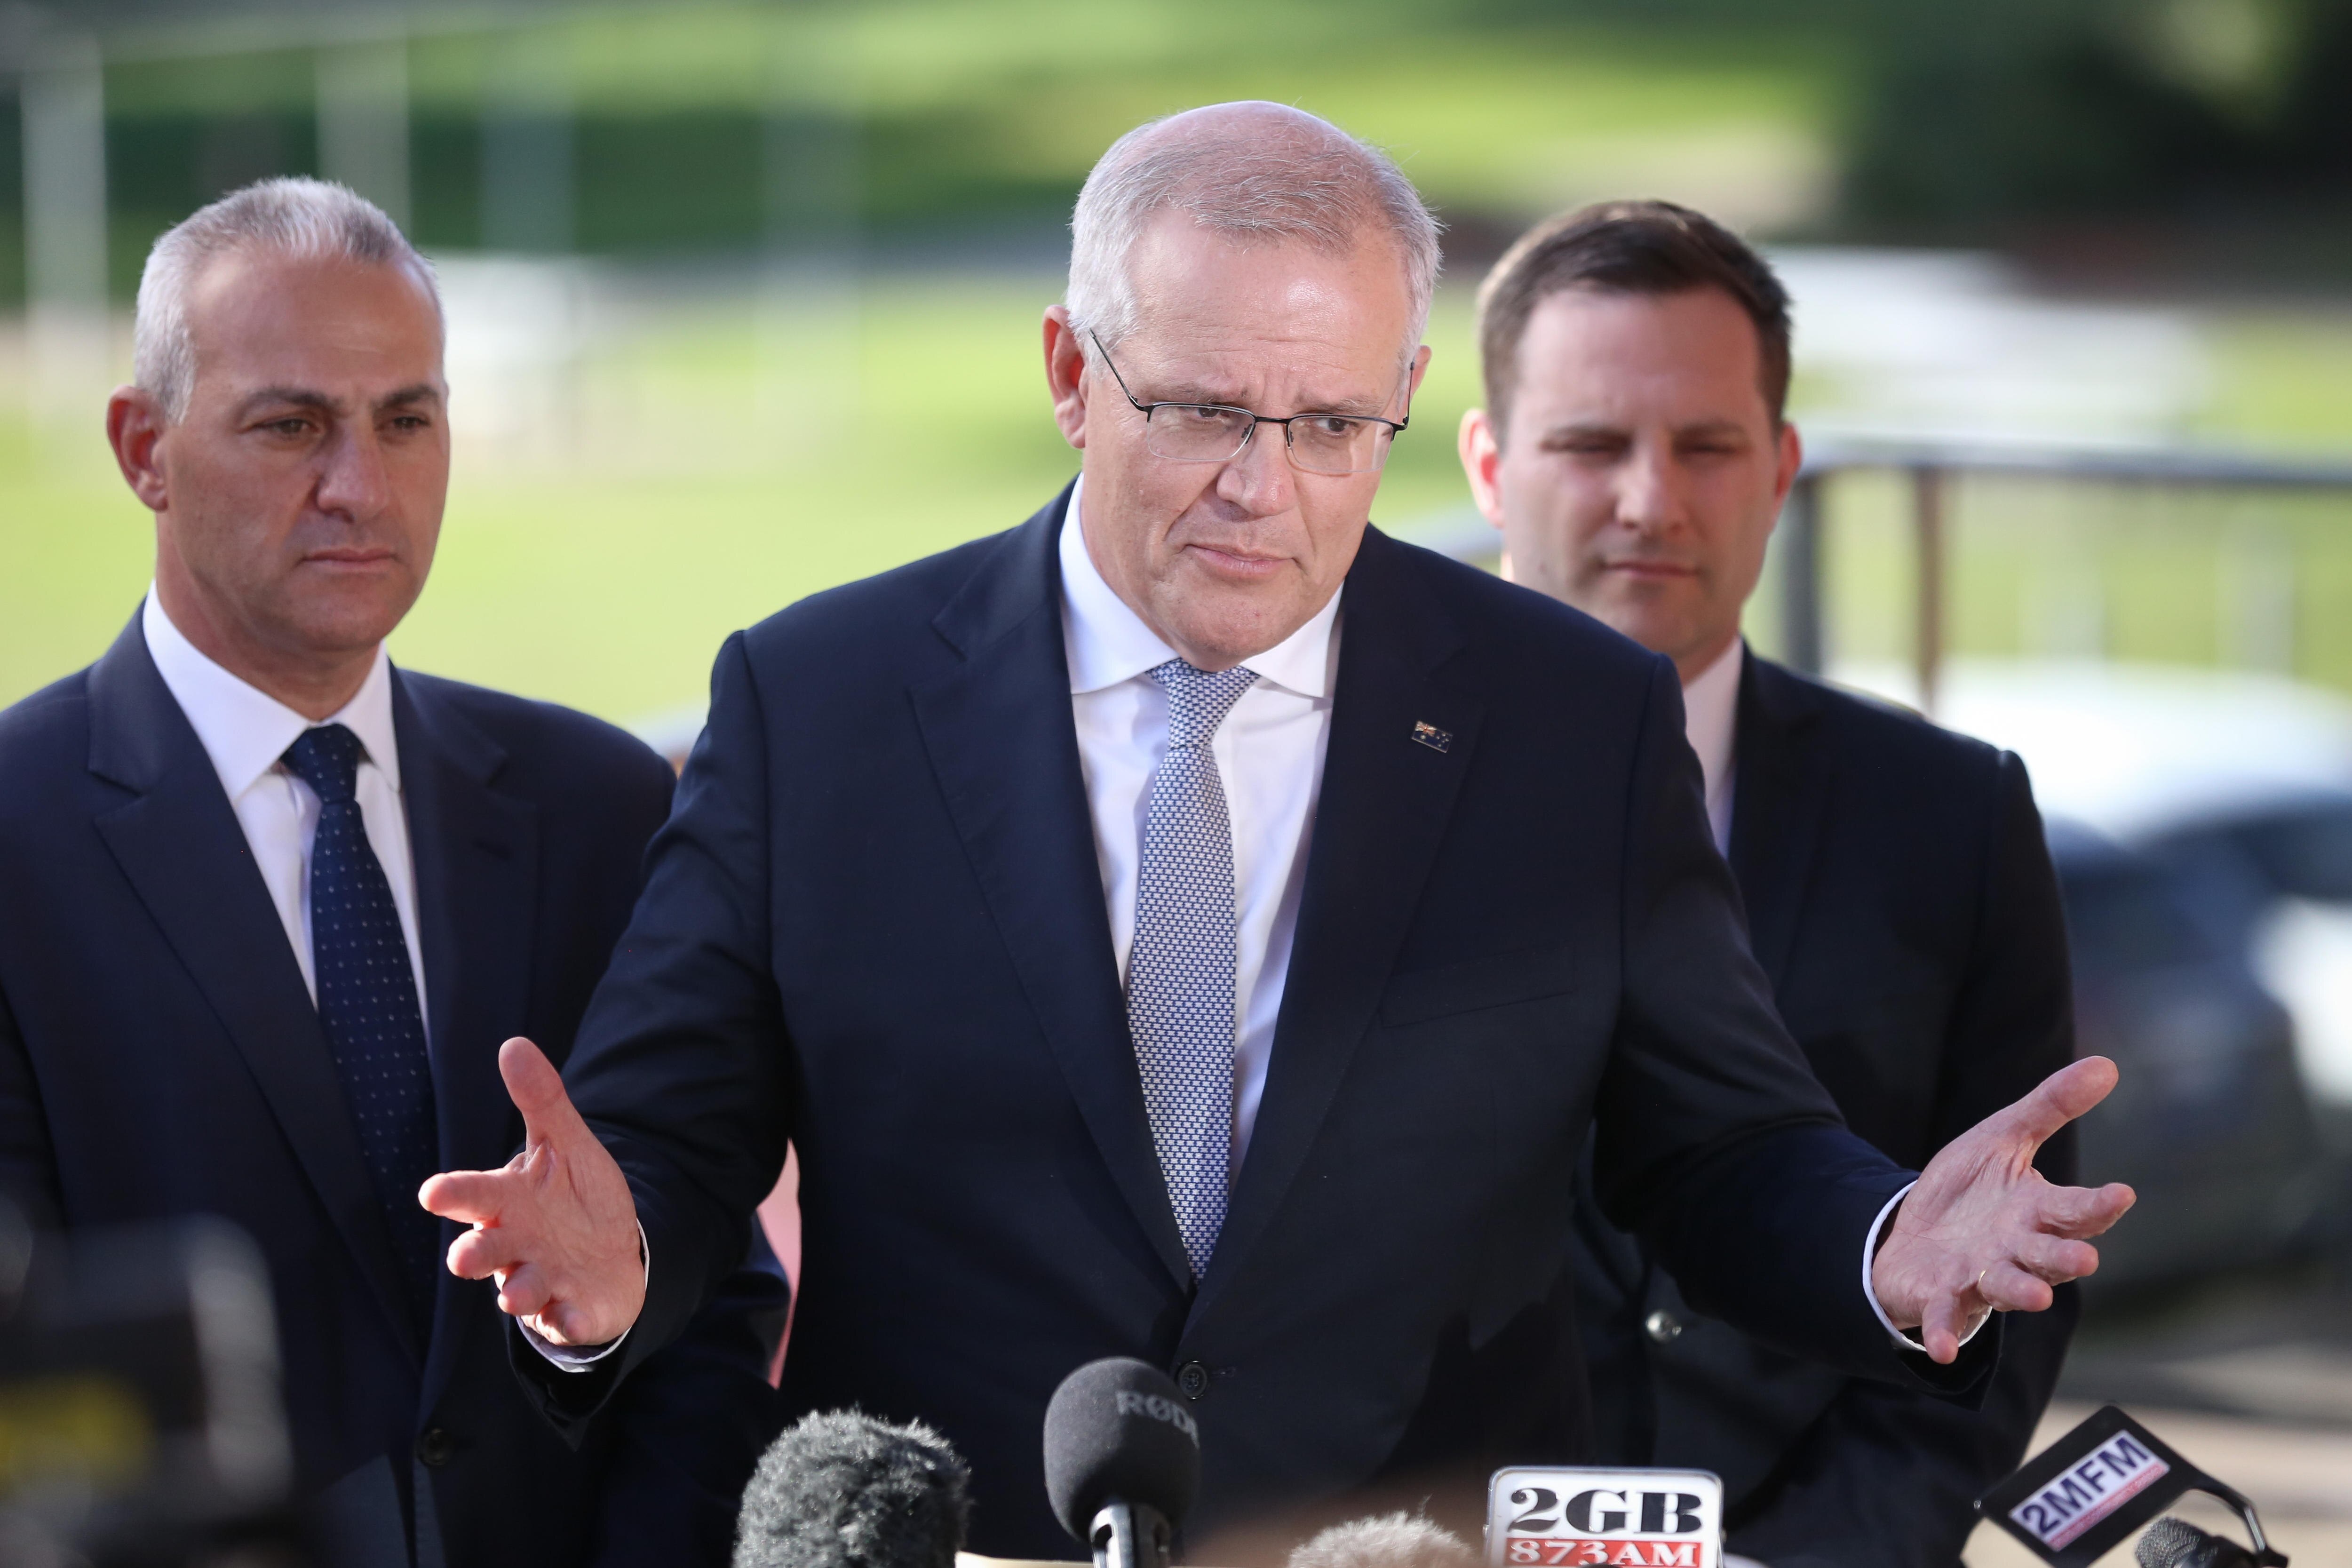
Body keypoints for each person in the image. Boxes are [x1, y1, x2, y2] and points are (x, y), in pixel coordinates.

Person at [422, 106, 2131, 1560]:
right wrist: (609, 1265)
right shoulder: (822, 701)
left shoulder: (1572, 719)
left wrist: (1883, 1245)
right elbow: (675, 1143)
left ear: (1400, 398)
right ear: (1070, 375)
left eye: (1329, 427)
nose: (1265, 484)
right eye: (1203, 412)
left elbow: (1720, 1146)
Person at [0, 179, 787, 1568]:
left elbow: (707, 1300)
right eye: (291, 423)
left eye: (405, 421)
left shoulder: (597, 805)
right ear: (144, 447)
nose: (360, 484)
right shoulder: (17, 834)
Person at [1457, 200, 2078, 1568]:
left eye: (1707, 446)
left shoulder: (1955, 817)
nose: (1650, 500)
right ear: (1491, 467)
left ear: (1784, 465)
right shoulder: (1321, 780)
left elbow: (1993, 1296)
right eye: (1590, 444)